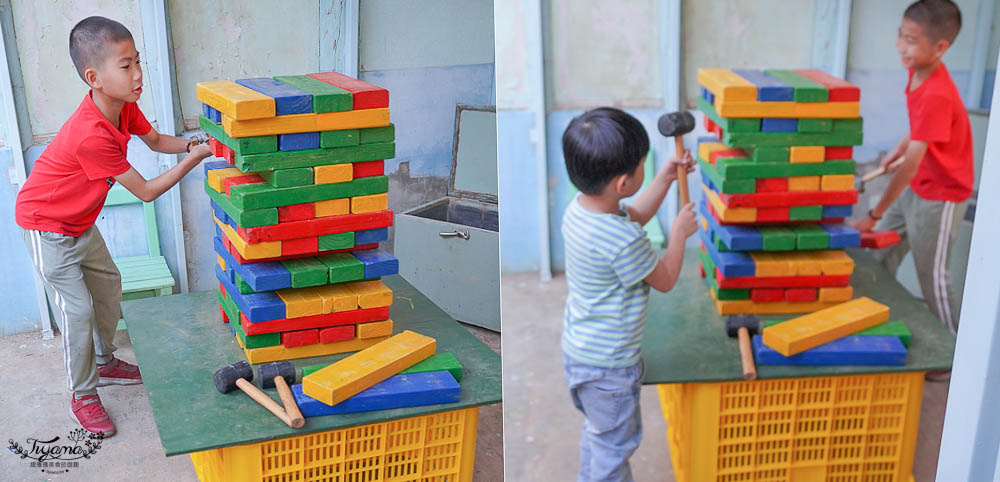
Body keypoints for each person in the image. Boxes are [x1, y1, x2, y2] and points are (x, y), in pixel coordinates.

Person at [15, 16, 213, 436]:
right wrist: (193, 160)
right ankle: (82, 395)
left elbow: (158, 141)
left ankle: (104, 361)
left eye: (137, 61)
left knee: (108, 289)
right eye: (126, 66)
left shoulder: (124, 108)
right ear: (95, 77)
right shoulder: (91, 133)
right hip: (47, 227)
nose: (138, 73)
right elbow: (144, 190)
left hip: (80, 224)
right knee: (78, 310)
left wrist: (198, 143)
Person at [560, 107, 698, 480]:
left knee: (600, 436)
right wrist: (680, 234)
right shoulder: (623, 241)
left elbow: (634, 213)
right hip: (610, 368)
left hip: (581, 353)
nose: (645, 170)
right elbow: (666, 277)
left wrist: (667, 176)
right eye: (643, 166)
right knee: (615, 449)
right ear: (622, 183)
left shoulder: (581, 212)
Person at [850, 0, 972, 381]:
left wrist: (871, 214)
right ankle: (873, 326)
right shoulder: (917, 71)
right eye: (900, 37)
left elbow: (913, 164)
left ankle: (955, 356)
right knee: (879, 254)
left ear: (940, 48)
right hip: (918, 187)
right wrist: (905, 143)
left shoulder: (937, 90)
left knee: (933, 278)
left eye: (911, 40)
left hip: (942, 195)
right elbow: (921, 135)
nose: (901, 47)